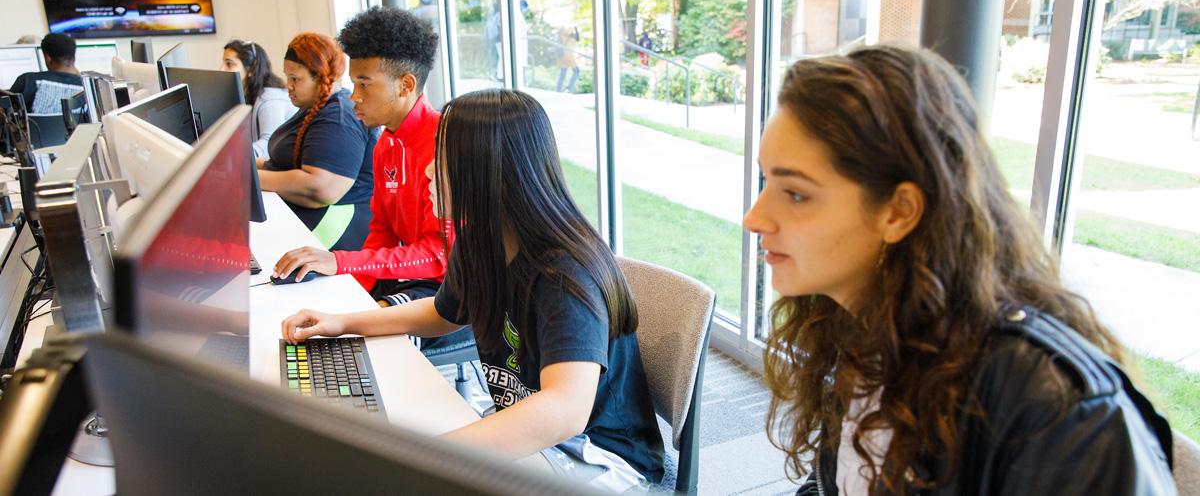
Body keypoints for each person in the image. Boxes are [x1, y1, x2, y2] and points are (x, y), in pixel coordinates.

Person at [744, 45, 1176, 495]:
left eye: (795, 194)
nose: (755, 217)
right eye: (766, 181)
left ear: (899, 212)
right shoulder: (867, 329)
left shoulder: (1059, 410)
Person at [281, 89, 666, 492]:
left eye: (441, 159)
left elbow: (565, 410)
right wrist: (343, 322)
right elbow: (442, 313)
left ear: (487, 172)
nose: (428, 172)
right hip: (541, 437)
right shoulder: (482, 239)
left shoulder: (563, 274)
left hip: (599, 458)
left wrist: (426, 457)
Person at [273, 6, 472, 353]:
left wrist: (341, 263)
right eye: (353, 84)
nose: (354, 97)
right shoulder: (386, 144)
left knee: (363, 337)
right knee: (322, 310)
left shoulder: (446, 143)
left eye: (364, 84)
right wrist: (350, 287)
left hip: (453, 293)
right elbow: (381, 233)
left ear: (405, 85)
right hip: (413, 280)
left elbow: (439, 256)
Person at [258, 32, 375, 252]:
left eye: (295, 79)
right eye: (287, 77)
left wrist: (247, 178)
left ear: (320, 77)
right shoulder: (313, 108)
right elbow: (286, 161)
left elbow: (321, 188)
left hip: (334, 230)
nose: (288, 86)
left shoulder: (339, 117)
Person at [220, 39, 296, 159]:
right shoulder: (251, 94)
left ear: (250, 69)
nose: (221, 69)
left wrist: (231, 157)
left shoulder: (270, 100)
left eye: (229, 64)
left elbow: (269, 145)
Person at [8, 33, 82, 114]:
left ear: (47, 58)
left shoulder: (27, 80)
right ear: (74, 56)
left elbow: (5, 113)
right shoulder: (87, 87)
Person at [555, 27, 579, 94]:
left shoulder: (561, 31)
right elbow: (577, 38)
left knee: (563, 73)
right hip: (568, 54)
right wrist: (575, 29)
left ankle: (558, 91)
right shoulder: (568, 30)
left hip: (561, 56)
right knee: (577, 71)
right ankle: (569, 89)